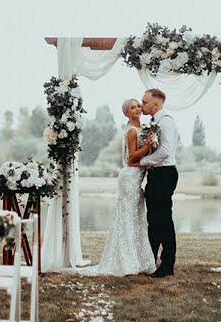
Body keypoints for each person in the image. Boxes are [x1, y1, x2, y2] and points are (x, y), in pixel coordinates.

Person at [68, 98, 156, 276]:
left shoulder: (142, 129)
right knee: (127, 218)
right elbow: (130, 159)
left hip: (136, 178)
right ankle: (124, 262)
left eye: (138, 105)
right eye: (132, 107)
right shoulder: (132, 131)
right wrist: (147, 146)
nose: (138, 109)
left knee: (135, 218)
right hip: (130, 177)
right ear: (127, 113)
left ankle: (137, 260)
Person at [139, 88, 179, 278]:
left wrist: (143, 162)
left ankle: (168, 264)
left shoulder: (166, 122)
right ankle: (150, 260)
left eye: (145, 102)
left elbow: (165, 151)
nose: (142, 105)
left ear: (156, 103)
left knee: (163, 220)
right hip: (157, 174)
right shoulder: (155, 122)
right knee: (153, 220)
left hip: (164, 174)